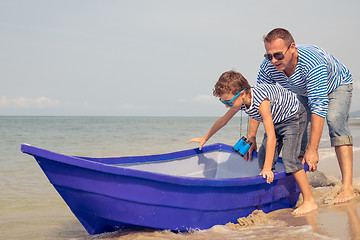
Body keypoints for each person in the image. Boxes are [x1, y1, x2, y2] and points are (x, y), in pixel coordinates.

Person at [190, 70, 318, 215]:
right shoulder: (240, 102)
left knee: (289, 158)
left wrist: (268, 168)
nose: (226, 105)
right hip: (276, 119)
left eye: (228, 102)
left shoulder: (261, 102)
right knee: (263, 158)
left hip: (293, 118)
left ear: (242, 93)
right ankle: (273, 192)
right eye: (223, 102)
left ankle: (310, 201)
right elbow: (223, 120)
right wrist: (205, 137)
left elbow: (271, 136)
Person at [253, 28, 354, 204]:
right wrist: (251, 136)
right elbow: (259, 100)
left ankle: (348, 187)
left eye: (278, 55)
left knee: (334, 121)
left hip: (337, 84)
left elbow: (319, 107)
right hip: (305, 90)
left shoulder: (311, 63)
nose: (274, 60)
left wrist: (313, 150)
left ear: (292, 47)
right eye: (269, 56)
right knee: (298, 124)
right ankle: (297, 185)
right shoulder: (268, 66)